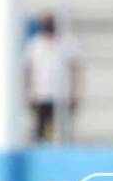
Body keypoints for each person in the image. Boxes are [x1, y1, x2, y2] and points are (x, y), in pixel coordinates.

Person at [23, 13, 81, 142]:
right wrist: (28, 91)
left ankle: (57, 146)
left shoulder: (67, 43)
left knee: (60, 127)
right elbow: (29, 70)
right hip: (42, 94)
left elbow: (74, 69)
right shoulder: (35, 44)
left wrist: (74, 92)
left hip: (61, 94)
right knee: (44, 127)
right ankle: (46, 145)